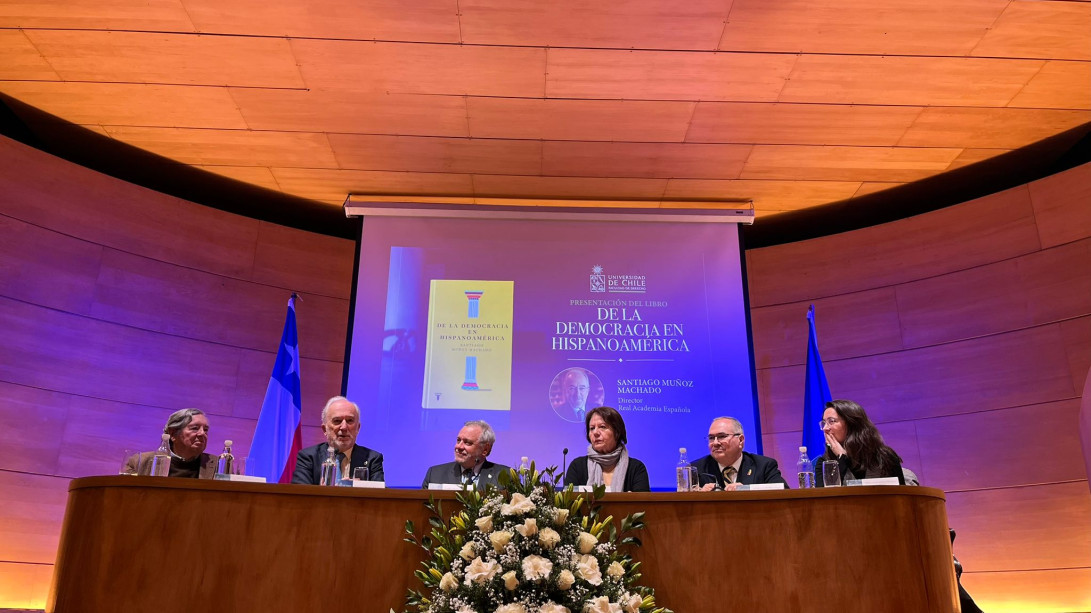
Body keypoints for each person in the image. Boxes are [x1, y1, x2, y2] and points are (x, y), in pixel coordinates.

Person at [291, 396, 384, 485]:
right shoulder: (308, 457)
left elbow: (380, 497)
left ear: (358, 428)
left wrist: (355, 490)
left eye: (350, 420)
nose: (344, 427)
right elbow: (299, 496)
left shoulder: (372, 459)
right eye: (337, 421)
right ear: (324, 429)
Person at [815, 399, 904, 486]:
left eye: (832, 421)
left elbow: (902, 496)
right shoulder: (823, 463)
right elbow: (826, 498)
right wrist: (842, 458)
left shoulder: (884, 456)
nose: (825, 428)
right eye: (824, 422)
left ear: (851, 424)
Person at [564, 406, 649, 492]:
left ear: (617, 432)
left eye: (602, 427)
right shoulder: (577, 467)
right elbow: (568, 503)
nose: (595, 433)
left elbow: (643, 504)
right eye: (592, 428)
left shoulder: (636, 468)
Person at [691, 417, 787, 490]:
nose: (715, 443)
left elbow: (783, 492)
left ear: (740, 440)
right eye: (711, 438)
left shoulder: (763, 466)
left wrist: (745, 489)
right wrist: (698, 495)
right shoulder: (696, 469)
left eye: (722, 436)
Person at [124, 408, 215, 478]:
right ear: (173, 433)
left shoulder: (219, 465)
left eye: (206, 430)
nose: (202, 433)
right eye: (195, 428)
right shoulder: (139, 462)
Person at [421, 420, 511, 489]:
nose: (459, 447)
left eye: (467, 443)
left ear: (485, 449)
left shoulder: (505, 476)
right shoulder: (435, 474)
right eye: (458, 440)